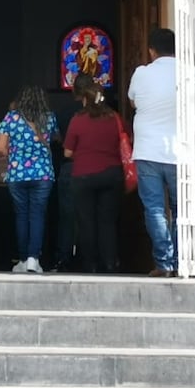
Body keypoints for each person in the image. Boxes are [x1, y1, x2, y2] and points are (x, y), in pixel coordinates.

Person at [128, 28, 179, 278]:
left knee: (155, 209)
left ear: (151, 51)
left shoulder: (142, 73)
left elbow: (134, 102)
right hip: (180, 150)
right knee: (181, 209)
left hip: (148, 150)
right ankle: (181, 261)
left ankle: (164, 263)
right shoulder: (189, 72)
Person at [0, 86, 60, 274]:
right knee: (37, 214)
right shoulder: (49, 117)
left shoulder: (11, 118)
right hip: (42, 174)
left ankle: (22, 259)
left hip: (17, 174)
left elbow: (1, 149)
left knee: (21, 215)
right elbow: (57, 139)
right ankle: (33, 259)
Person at [63, 74, 125, 273]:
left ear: (84, 97)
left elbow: (68, 152)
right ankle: (109, 263)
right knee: (107, 222)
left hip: (84, 176)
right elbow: (126, 140)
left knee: (86, 221)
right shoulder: (114, 118)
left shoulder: (78, 120)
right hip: (112, 174)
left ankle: (90, 265)